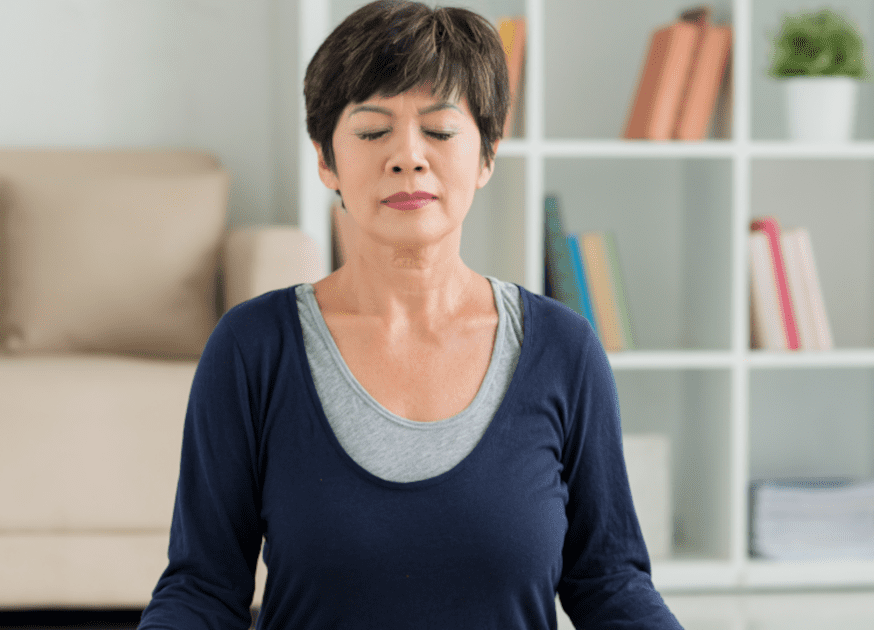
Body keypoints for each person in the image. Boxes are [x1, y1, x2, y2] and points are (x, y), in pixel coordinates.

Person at [138, 1, 684, 628]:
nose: (407, 157)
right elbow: (203, 588)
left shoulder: (564, 349)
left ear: (486, 155)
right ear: (326, 159)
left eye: (441, 130)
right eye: (372, 131)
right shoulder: (253, 348)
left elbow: (607, 580)